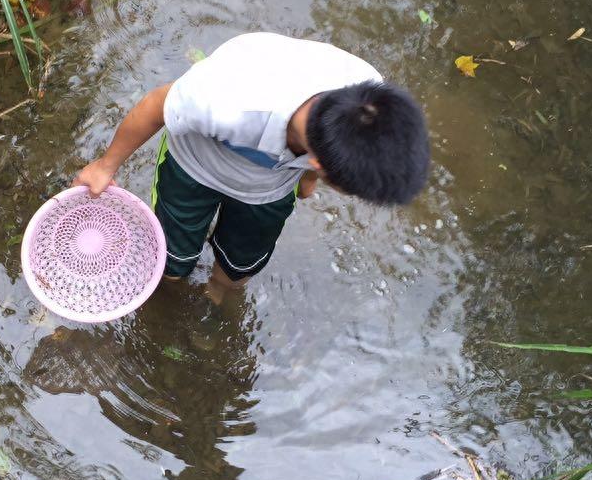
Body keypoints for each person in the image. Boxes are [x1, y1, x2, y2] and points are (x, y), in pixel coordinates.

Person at [73, 32, 430, 300]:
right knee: (171, 258)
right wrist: (105, 165)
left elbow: (331, 141)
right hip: (194, 167)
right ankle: (170, 289)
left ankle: (217, 293)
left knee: (240, 266)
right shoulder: (225, 100)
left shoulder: (368, 101)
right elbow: (155, 106)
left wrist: (306, 178)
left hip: (268, 187)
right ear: (320, 163)